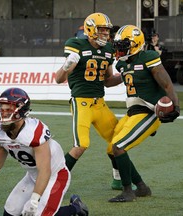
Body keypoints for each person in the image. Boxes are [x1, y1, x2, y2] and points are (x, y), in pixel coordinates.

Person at [0, 87, 89, 216]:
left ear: (21, 110)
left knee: (38, 214)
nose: (4, 113)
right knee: (10, 214)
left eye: (9, 109)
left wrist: (34, 200)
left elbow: (45, 170)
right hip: (32, 175)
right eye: (2, 109)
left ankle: (75, 209)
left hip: (54, 176)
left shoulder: (33, 132)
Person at [108, 25, 180, 202]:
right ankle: (141, 187)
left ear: (136, 44)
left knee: (118, 147)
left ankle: (128, 191)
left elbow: (167, 84)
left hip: (149, 112)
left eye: (123, 45)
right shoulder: (123, 63)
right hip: (133, 112)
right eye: (118, 45)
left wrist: (175, 106)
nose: (119, 48)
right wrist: (103, 67)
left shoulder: (148, 57)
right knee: (111, 149)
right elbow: (110, 82)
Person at [55, 12, 123, 190]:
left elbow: (108, 81)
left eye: (106, 31)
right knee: (81, 145)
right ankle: (55, 181)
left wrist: (125, 74)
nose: (105, 34)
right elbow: (58, 79)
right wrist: (67, 65)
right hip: (81, 102)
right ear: (91, 29)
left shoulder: (108, 50)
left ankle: (117, 178)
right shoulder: (75, 45)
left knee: (118, 140)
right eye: (101, 30)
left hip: (100, 103)